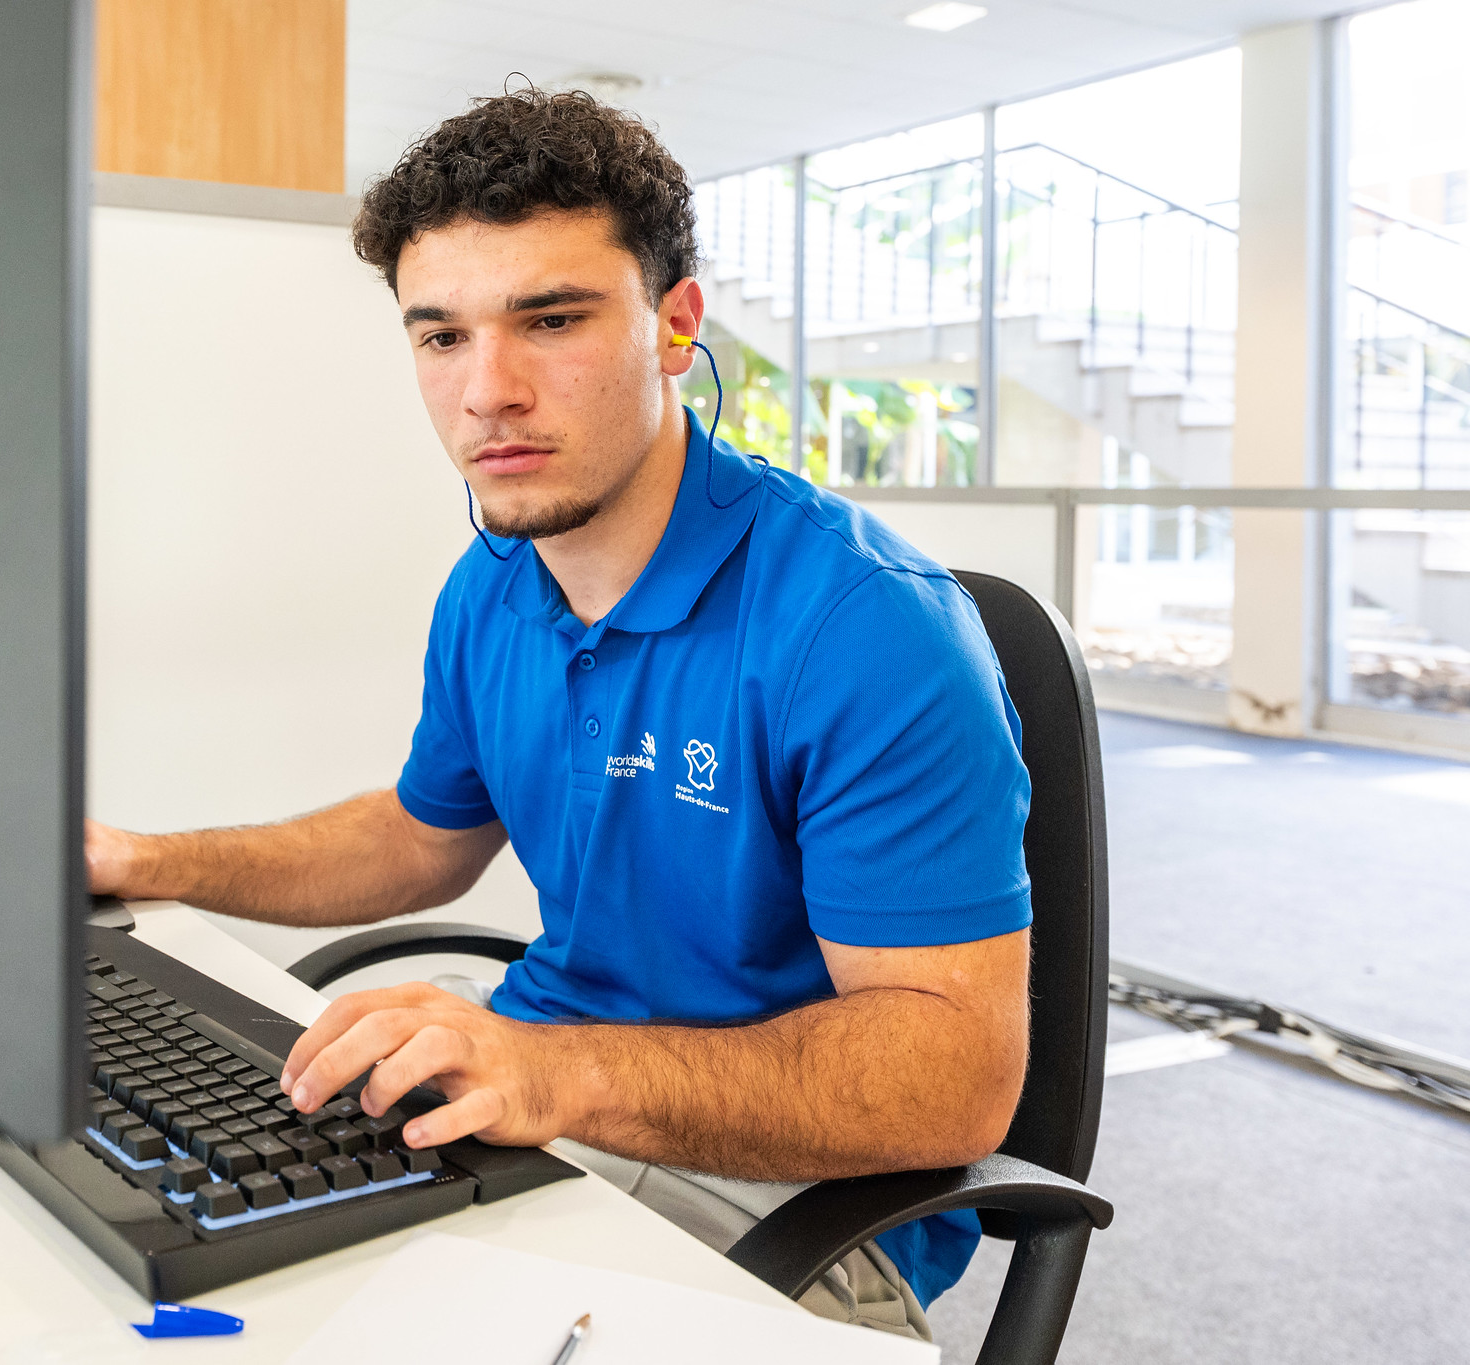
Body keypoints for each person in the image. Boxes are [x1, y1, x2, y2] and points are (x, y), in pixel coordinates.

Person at [86, 88, 1032, 1343]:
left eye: (550, 319)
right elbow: (423, 837)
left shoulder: (862, 628)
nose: (489, 393)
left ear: (673, 324)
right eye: (441, 338)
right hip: (540, 1115)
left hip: (786, 1205)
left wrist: (557, 1069)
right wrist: (148, 862)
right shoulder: (493, 584)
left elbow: (950, 1084)